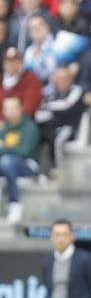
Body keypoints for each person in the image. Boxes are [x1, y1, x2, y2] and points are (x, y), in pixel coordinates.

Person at [0, 95, 40, 224]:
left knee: (7, 161)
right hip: (6, 165)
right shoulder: (4, 129)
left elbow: (23, 151)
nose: (10, 111)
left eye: (13, 108)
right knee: (6, 162)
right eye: (7, 108)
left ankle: (15, 204)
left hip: (28, 164)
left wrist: (4, 147)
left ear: (20, 108)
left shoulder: (29, 127)